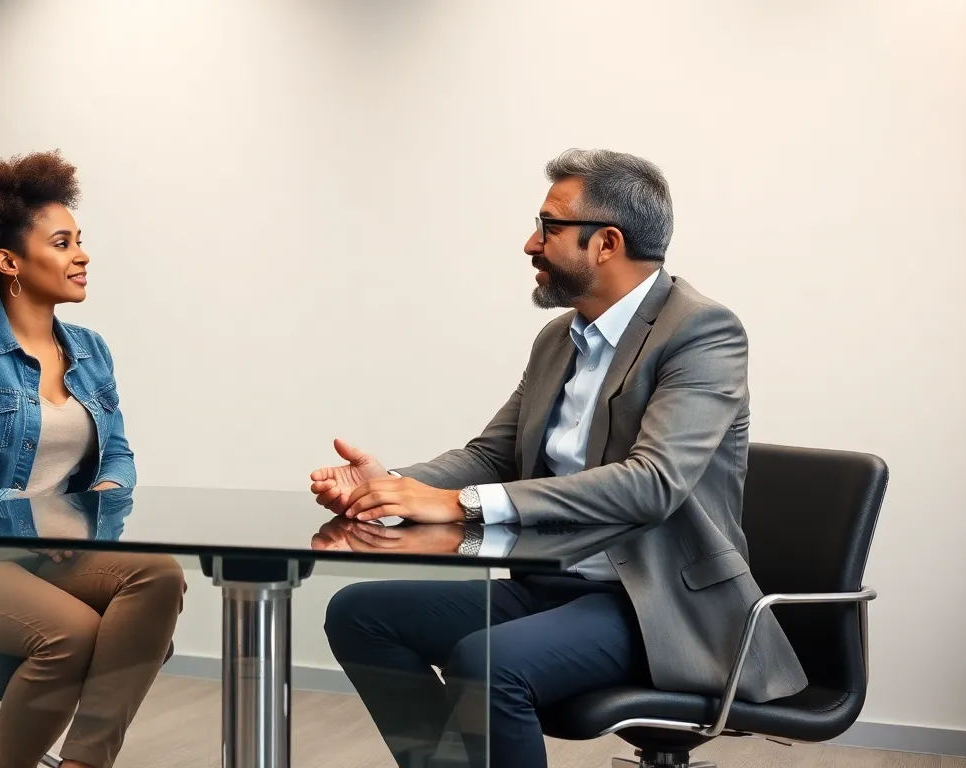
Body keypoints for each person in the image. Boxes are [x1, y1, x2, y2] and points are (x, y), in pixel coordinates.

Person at [312, 149, 807, 768]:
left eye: (548, 227)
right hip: (552, 582)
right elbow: (491, 457)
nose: (530, 243)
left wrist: (457, 506)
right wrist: (389, 485)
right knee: (360, 613)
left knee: (486, 663)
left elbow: (654, 483)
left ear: (605, 243)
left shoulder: (702, 333)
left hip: (652, 604)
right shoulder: (559, 337)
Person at [0, 150, 185, 768]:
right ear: (10, 263)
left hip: (43, 554)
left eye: (80, 241)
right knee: (72, 633)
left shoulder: (90, 349)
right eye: (62, 242)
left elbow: (120, 455)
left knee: (157, 575)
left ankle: (82, 763)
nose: (81, 255)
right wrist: (31, 513)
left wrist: (97, 502)